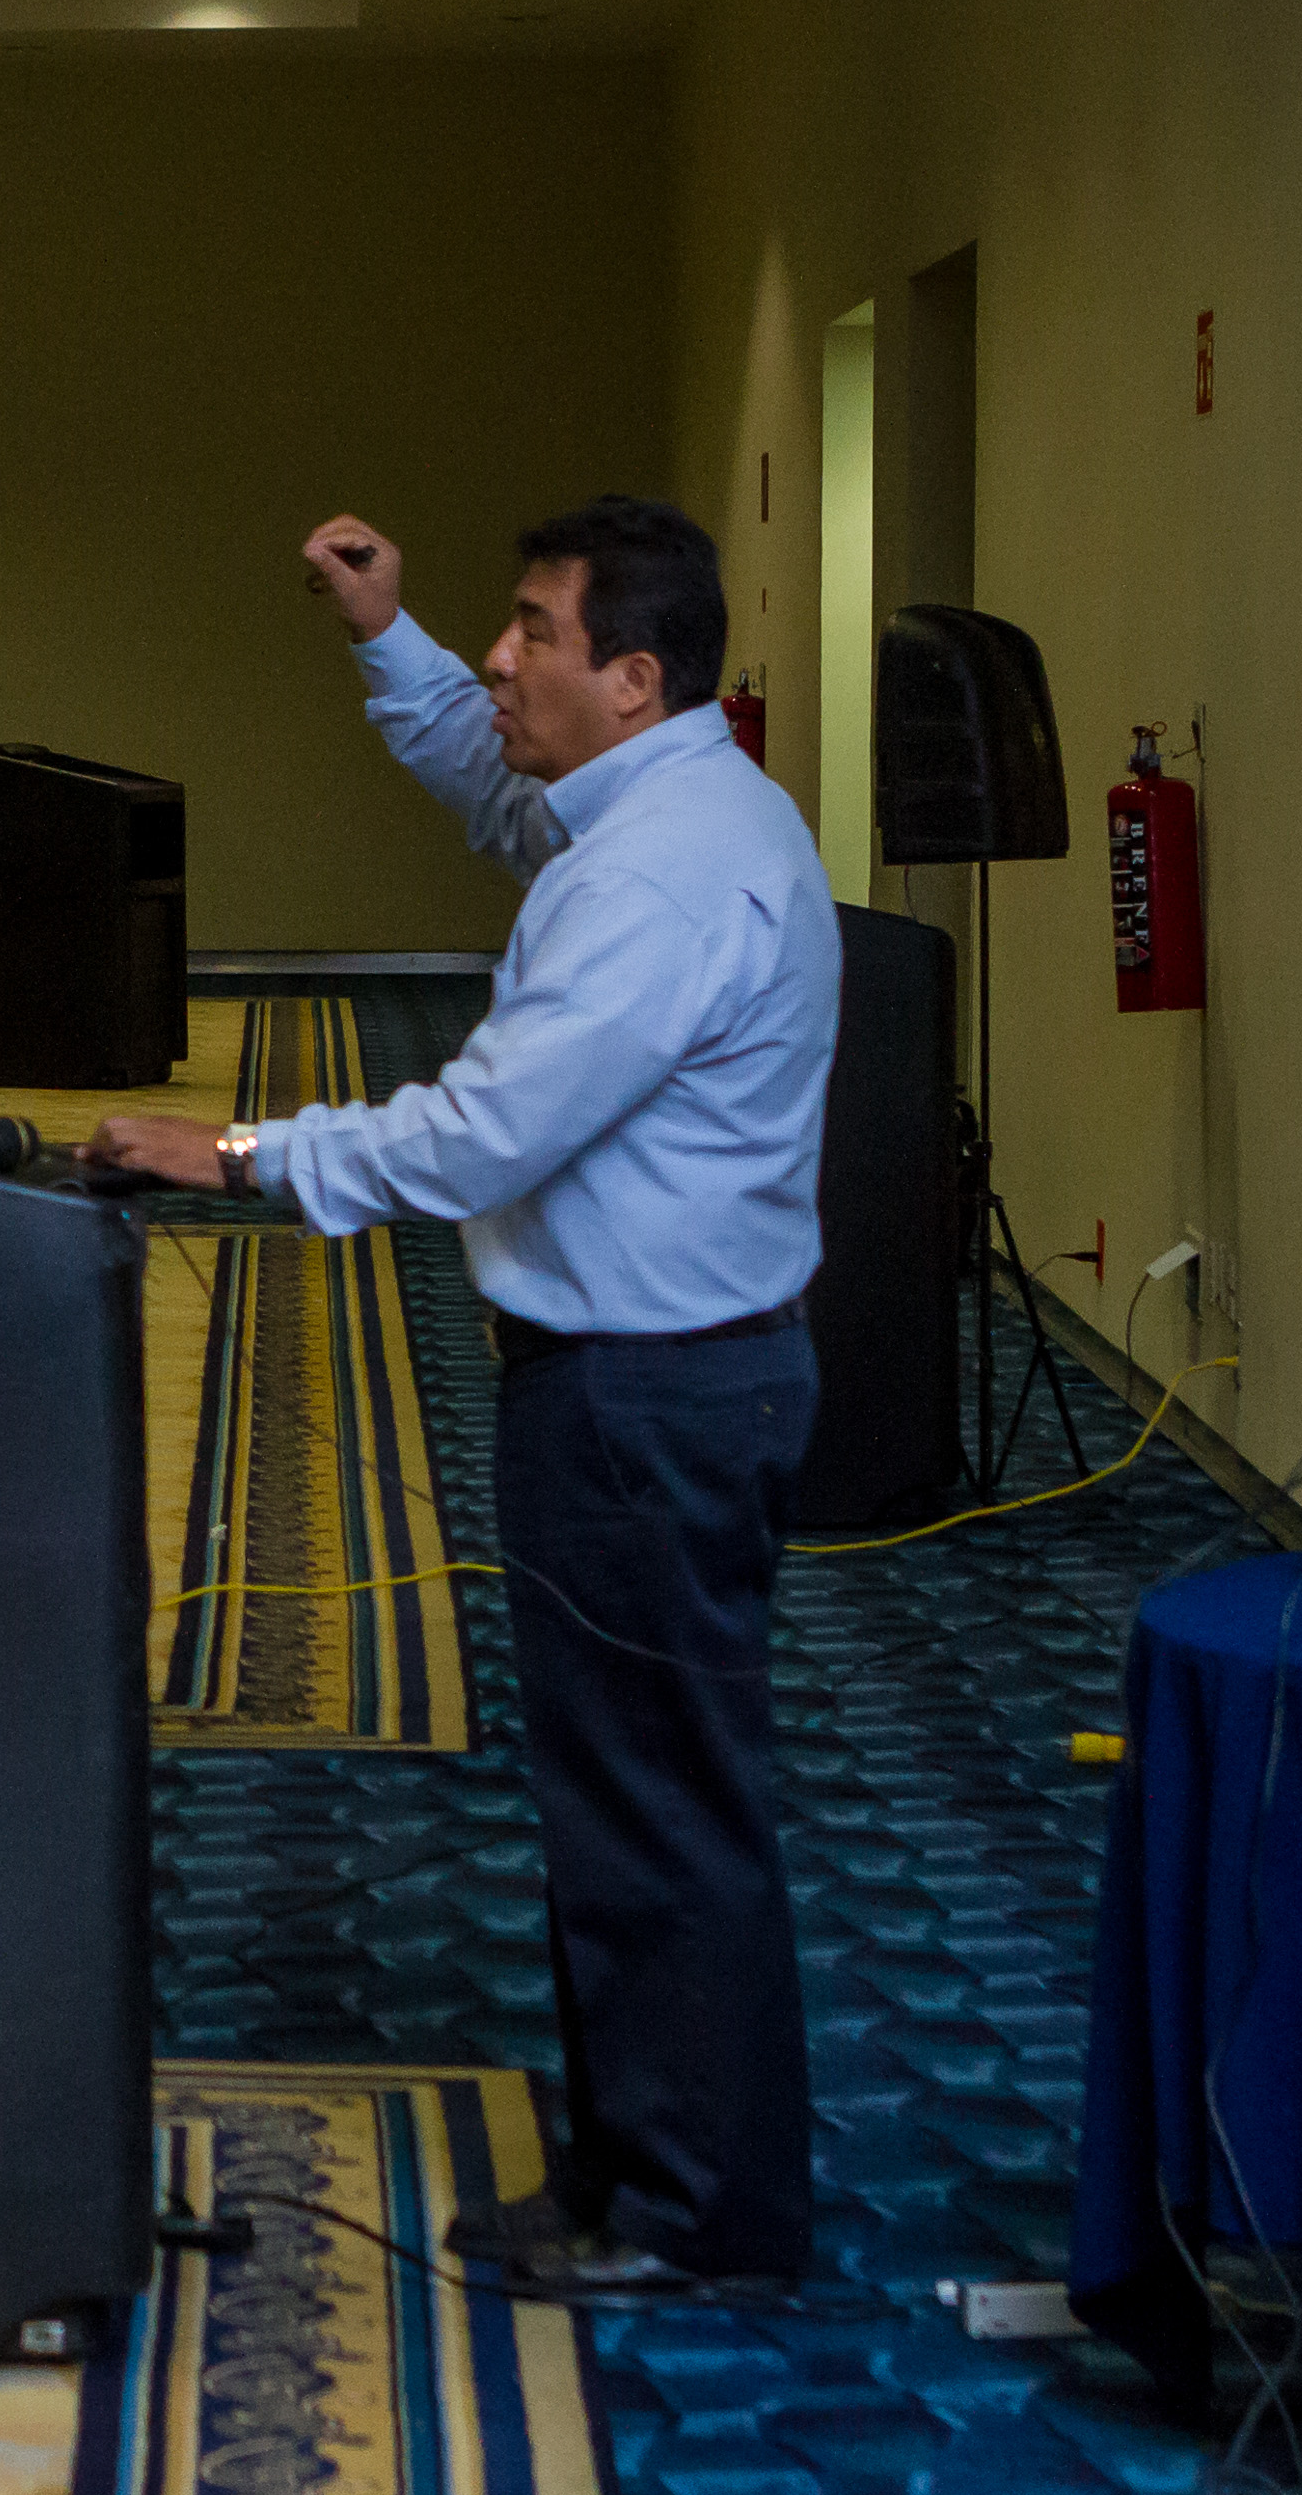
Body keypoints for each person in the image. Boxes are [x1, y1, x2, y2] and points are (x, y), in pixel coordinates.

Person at [100, 500, 841, 2296]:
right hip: (661, 1384)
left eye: (529, 632)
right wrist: (387, 632)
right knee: (642, 1794)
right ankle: (654, 2168)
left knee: (658, 1808)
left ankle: (687, 2214)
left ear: (636, 675)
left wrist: (246, 1147)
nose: (500, 661)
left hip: (643, 1402)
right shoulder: (667, 802)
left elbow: (486, 1122)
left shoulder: (660, 879)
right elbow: (503, 789)